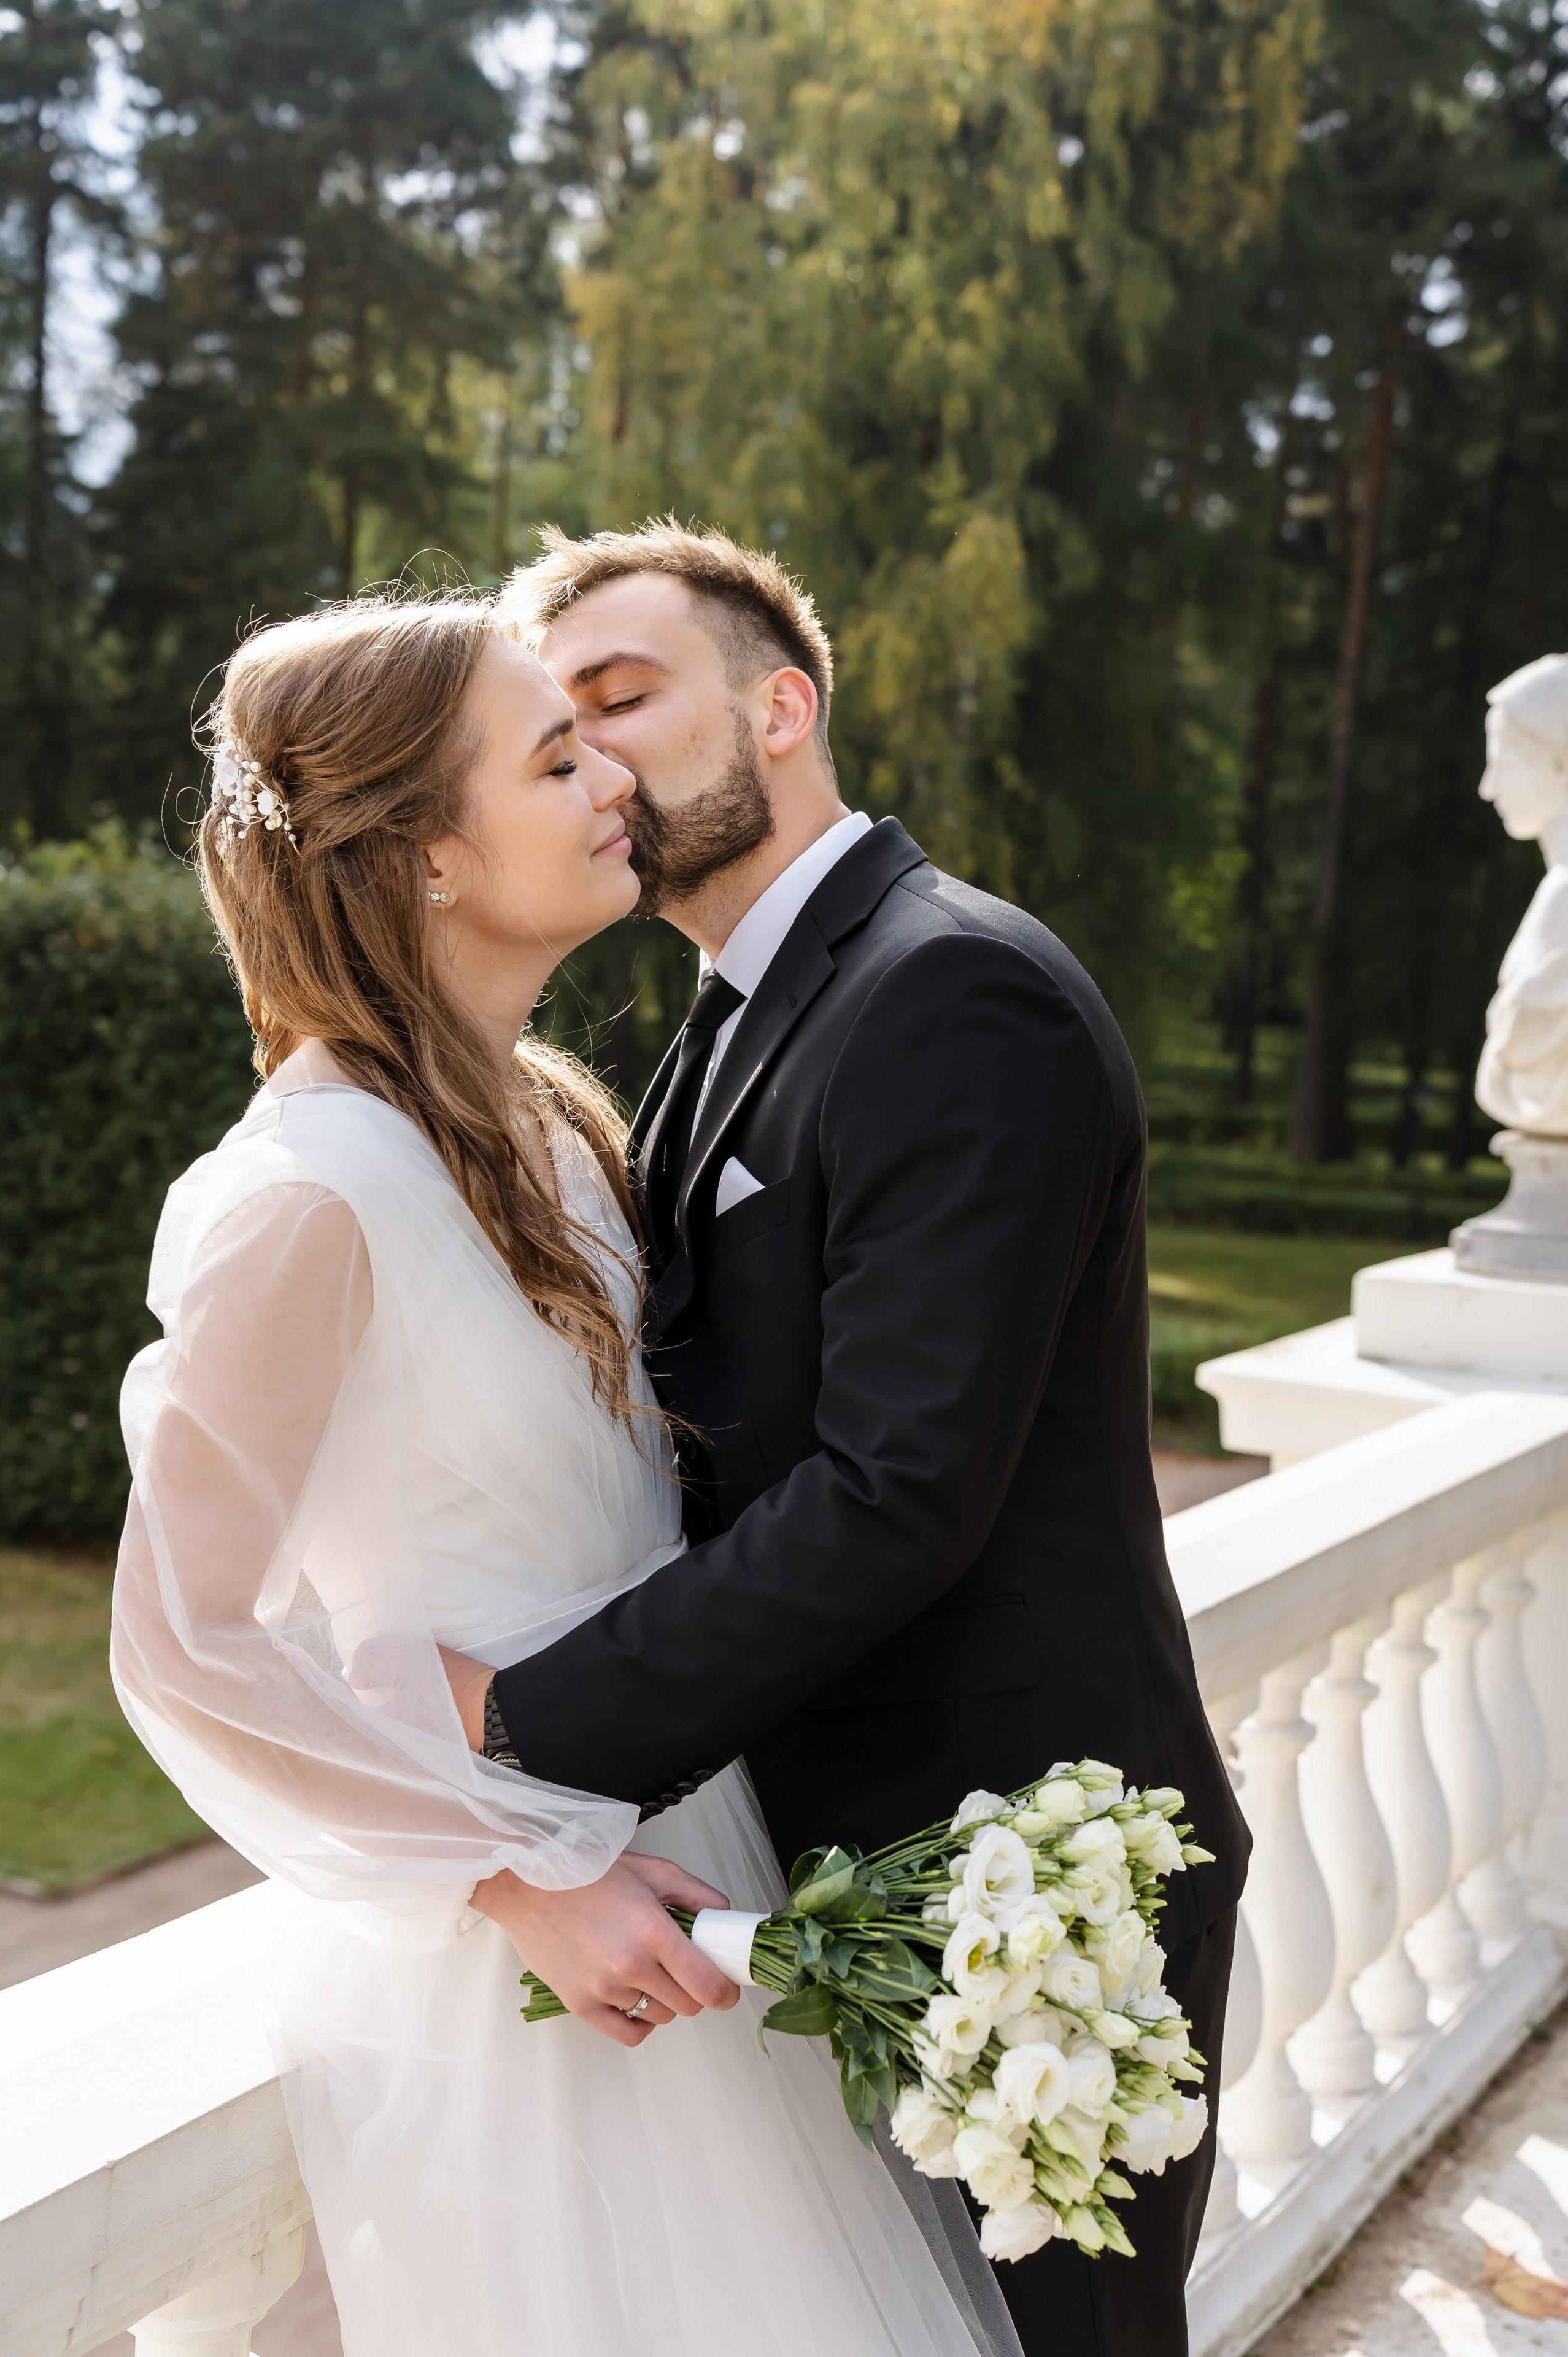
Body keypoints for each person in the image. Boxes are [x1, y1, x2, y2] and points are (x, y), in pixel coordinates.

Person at [110, 594, 1024, 2357]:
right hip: (522, 1952)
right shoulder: (307, 1195)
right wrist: (515, 1879)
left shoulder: (553, 1119)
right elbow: (180, 1637)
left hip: (696, 1856)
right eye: (553, 755)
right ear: (430, 857)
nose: (612, 772)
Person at [450, 521, 1251, 2357]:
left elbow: (899, 1494)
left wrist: (513, 1731)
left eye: (623, 700)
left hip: (1023, 1880)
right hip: (823, 1864)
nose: (593, 761)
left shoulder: (951, 990)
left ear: (784, 704)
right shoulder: (730, 1012)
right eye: (554, 733)